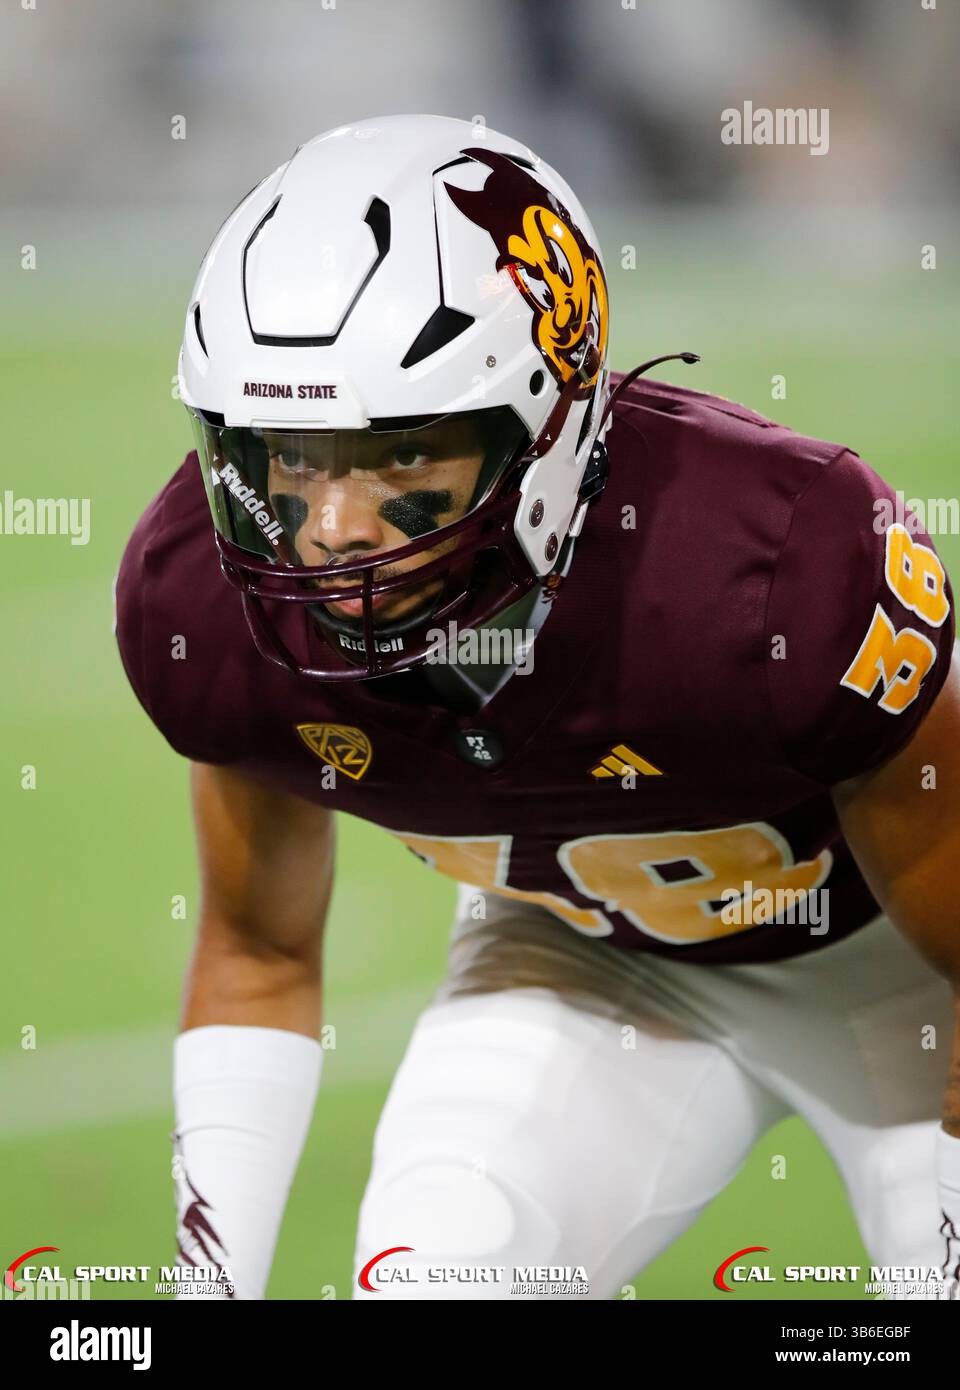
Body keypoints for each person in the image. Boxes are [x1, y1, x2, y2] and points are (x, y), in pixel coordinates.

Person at [115, 113, 960, 1301]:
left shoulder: (774, 566)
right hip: (585, 956)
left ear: (547, 427)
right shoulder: (204, 598)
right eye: (290, 453)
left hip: (900, 981)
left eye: (402, 454)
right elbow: (257, 949)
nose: (333, 527)